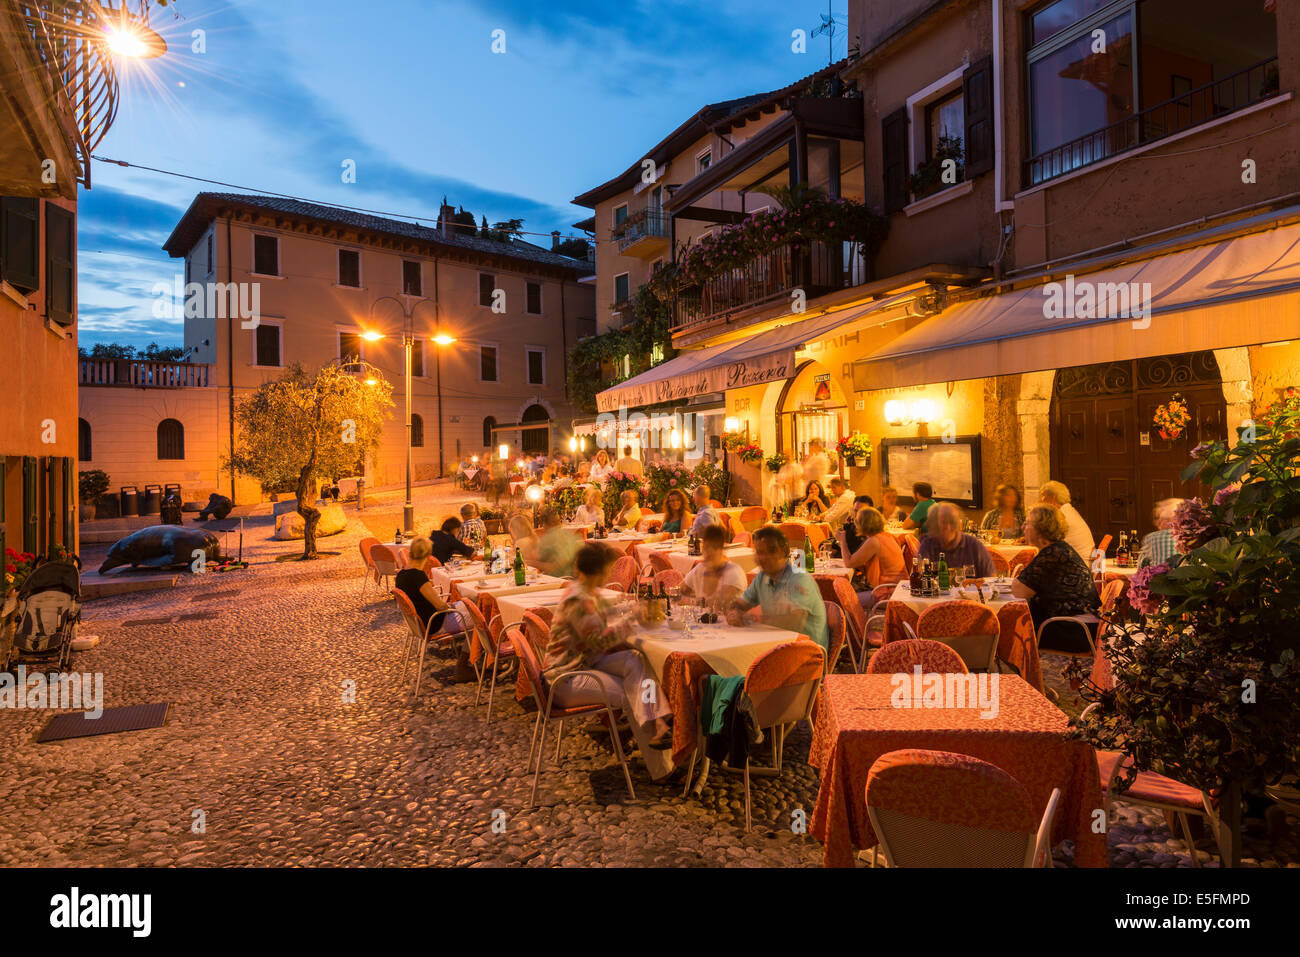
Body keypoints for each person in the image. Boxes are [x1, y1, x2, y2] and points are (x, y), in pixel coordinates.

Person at [543, 543, 674, 780]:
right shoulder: (578, 600)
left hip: (587, 662)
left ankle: (660, 724)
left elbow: (604, 616)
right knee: (633, 694)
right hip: (566, 678)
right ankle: (662, 771)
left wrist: (629, 608)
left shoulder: (585, 592)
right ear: (601, 572)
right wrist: (633, 617)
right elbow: (599, 641)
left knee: (634, 659)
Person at [1013, 504, 1101, 652]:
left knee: (1015, 631)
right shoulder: (1059, 549)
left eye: (1027, 523)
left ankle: (1009, 669)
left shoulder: (1053, 554)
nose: (1023, 528)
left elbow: (1018, 592)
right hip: (1080, 626)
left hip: (1074, 630)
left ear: (1040, 529)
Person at [726, 526, 829, 650]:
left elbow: (795, 622)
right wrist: (734, 612)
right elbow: (739, 604)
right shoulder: (762, 578)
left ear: (783, 552)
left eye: (771, 551)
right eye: (759, 552)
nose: (763, 557)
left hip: (806, 652)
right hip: (775, 646)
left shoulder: (799, 578)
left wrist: (754, 619)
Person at [394, 536, 476, 681]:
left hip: (420, 622)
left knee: (470, 603)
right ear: (427, 555)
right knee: (479, 615)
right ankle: (463, 665)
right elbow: (440, 605)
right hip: (434, 623)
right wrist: (448, 606)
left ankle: (473, 658)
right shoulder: (418, 577)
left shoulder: (401, 575)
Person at [834, 506, 907, 611]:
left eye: (857, 521)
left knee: (843, 600)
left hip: (888, 593)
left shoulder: (874, 541)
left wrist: (842, 541)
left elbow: (849, 563)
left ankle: (857, 627)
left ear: (863, 524)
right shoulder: (887, 536)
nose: (855, 524)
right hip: (899, 589)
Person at [916, 502, 995, 578]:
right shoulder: (927, 545)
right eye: (943, 522)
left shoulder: (974, 545)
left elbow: (990, 578)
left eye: (952, 522)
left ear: (959, 524)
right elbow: (920, 577)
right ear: (935, 525)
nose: (948, 527)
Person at [681, 524, 747, 610]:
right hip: (703, 622)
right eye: (706, 548)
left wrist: (692, 601)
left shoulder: (734, 572)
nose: (708, 553)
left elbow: (718, 605)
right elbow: (679, 592)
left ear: (722, 550)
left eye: (714, 548)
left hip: (727, 622)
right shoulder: (700, 568)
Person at [1038, 480, 1095, 564]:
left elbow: (1046, 544)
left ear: (1053, 497)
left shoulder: (1061, 516)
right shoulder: (1068, 510)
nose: (1041, 500)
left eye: (1043, 496)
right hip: (1083, 562)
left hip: (1077, 566)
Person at [534, 508, 580, 578]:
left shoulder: (546, 540)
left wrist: (529, 563)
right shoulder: (570, 535)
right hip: (572, 579)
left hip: (554, 581)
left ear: (544, 523)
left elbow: (549, 567)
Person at [1138, 498, 1183, 568]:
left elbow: (1141, 566)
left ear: (1170, 520)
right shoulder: (1192, 537)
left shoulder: (1151, 538)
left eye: (1160, 518)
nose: (1157, 523)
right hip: (1187, 578)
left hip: (1159, 578)